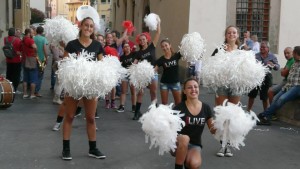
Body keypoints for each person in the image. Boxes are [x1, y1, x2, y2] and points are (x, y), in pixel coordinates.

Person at [61, 17, 105, 160]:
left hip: (90, 87)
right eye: (86, 25)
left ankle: (93, 148)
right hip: (74, 86)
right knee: (70, 116)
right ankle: (66, 149)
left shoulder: (97, 45)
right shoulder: (72, 45)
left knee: (91, 118)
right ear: (80, 26)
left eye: (91, 26)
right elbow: (64, 66)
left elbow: (101, 67)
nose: (88, 28)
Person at [172, 78, 215, 169]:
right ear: (184, 91)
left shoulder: (206, 107)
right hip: (178, 143)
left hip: (195, 144)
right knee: (185, 138)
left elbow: (213, 130)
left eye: (195, 87)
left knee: (193, 164)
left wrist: (224, 126)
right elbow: (170, 129)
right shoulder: (178, 108)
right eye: (189, 87)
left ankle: (186, 160)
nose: (193, 89)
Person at [212, 25, 241, 157]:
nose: (231, 34)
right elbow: (211, 64)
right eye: (229, 33)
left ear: (237, 35)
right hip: (222, 84)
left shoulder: (242, 51)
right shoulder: (219, 49)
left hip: (235, 85)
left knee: (232, 115)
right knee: (223, 114)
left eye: (234, 32)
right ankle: (222, 145)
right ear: (226, 35)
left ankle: (228, 145)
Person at [257, 46, 300, 125]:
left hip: (297, 87)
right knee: (275, 99)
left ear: (297, 54)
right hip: (288, 85)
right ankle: (267, 116)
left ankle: (264, 115)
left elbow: (283, 73)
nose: (292, 55)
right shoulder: (294, 62)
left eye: (292, 53)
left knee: (281, 99)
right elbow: (285, 74)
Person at [132, 21, 161, 120]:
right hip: (143, 76)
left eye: (144, 39)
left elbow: (158, 33)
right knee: (140, 92)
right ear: (139, 42)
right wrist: (133, 72)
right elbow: (134, 64)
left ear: (147, 40)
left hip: (153, 73)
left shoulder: (152, 47)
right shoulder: (138, 53)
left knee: (153, 92)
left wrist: (158, 23)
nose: (142, 41)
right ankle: (136, 113)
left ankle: (154, 113)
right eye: (140, 40)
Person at [247, 41, 280, 112]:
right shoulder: (256, 55)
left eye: (263, 47)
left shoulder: (272, 56)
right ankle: (248, 111)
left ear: (268, 48)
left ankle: (265, 113)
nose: (261, 48)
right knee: (251, 95)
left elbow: (277, 67)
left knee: (264, 97)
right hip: (255, 77)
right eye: (261, 47)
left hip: (266, 77)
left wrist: (273, 65)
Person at [155, 39, 182, 106]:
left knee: (178, 103)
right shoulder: (161, 59)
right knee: (164, 104)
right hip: (164, 83)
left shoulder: (176, 55)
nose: (165, 47)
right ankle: (166, 116)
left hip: (175, 83)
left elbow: (185, 51)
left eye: (166, 45)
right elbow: (154, 69)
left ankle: (176, 116)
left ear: (170, 45)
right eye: (162, 46)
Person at [116, 42, 137, 113]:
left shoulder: (134, 54)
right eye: (125, 47)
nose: (127, 48)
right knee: (123, 91)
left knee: (133, 91)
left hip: (132, 74)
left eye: (128, 46)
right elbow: (120, 66)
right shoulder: (122, 57)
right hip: (124, 75)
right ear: (123, 49)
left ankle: (134, 106)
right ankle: (122, 106)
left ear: (130, 47)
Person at [4, 28, 22, 93]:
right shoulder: (18, 40)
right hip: (16, 60)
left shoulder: (5, 39)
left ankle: (8, 88)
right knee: (16, 75)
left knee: (9, 74)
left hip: (8, 59)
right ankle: (15, 89)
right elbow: (21, 49)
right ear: (14, 33)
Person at [22, 28, 38, 99]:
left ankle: (25, 93)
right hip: (31, 60)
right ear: (29, 33)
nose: (33, 33)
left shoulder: (23, 39)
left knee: (25, 78)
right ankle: (32, 94)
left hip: (24, 59)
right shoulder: (29, 40)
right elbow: (35, 47)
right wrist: (36, 50)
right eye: (32, 32)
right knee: (33, 78)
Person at [33, 26, 48, 97]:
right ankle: (36, 91)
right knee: (40, 75)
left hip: (34, 58)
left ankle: (32, 90)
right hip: (41, 59)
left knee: (34, 74)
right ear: (42, 32)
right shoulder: (43, 39)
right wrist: (47, 57)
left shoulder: (33, 38)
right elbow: (44, 49)